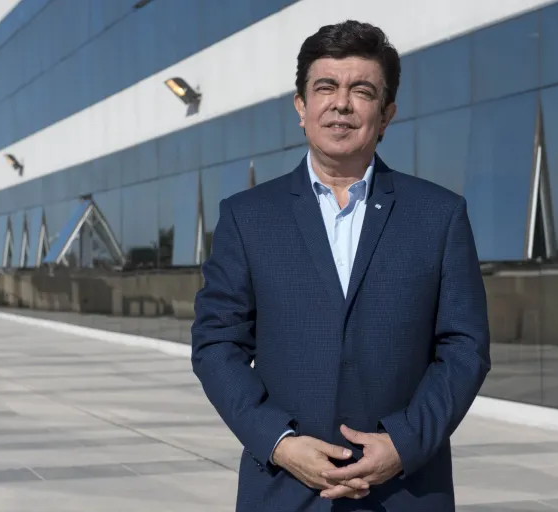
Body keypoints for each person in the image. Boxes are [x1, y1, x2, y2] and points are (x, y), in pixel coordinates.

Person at [191, 19, 491, 512]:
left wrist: (404, 443)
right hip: (284, 490)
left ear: (386, 114)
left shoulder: (439, 215)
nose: (341, 103)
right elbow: (216, 344)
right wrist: (279, 443)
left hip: (405, 491)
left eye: (362, 91)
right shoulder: (247, 218)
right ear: (301, 106)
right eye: (325, 87)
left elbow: (465, 347)